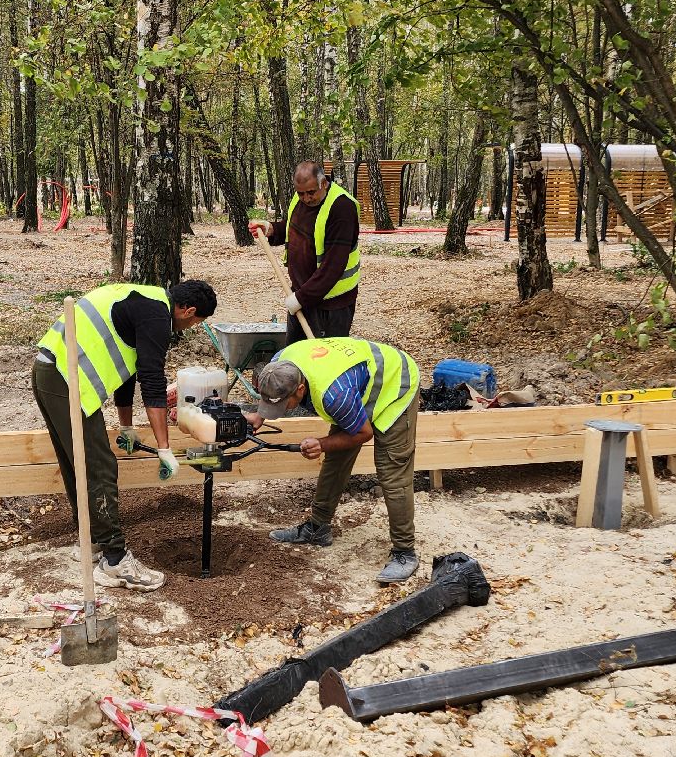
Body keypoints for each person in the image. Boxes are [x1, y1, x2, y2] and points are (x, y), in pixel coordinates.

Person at [33, 280, 218, 591]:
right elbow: (151, 380)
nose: (191, 327)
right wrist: (164, 448)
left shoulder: (142, 300)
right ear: (189, 311)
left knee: (78, 462)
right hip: (66, 379)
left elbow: (126, 371)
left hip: (49, 372)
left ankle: (91, 541)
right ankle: (115, 560)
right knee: (100, 467)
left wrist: (127, 426)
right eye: (196, 322)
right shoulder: (158, 317)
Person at [249, 337, 422, 584]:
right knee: (336, 460)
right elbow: (274, 395)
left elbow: (363, 434)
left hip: (395, 382)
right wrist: (260, 415)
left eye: (286, 405)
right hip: (355, 383)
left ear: (300, 390)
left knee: (392, 471)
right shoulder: (279, 365)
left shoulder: (335, 395)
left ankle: (405, 552)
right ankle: (318, 529)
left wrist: (322, 444)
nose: (283, 410)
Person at [249, 161, 361, 344]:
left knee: (324, 364)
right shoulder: (299, 198)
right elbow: (295, 228)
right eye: (301, 193)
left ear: (323, 183)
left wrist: (300, 298)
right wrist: (272, 230)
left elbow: (333, 267)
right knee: (296, 360)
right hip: (302, 297)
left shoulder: (341, 208)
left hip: (330, 305)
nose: (306, 198)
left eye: (311, 192)